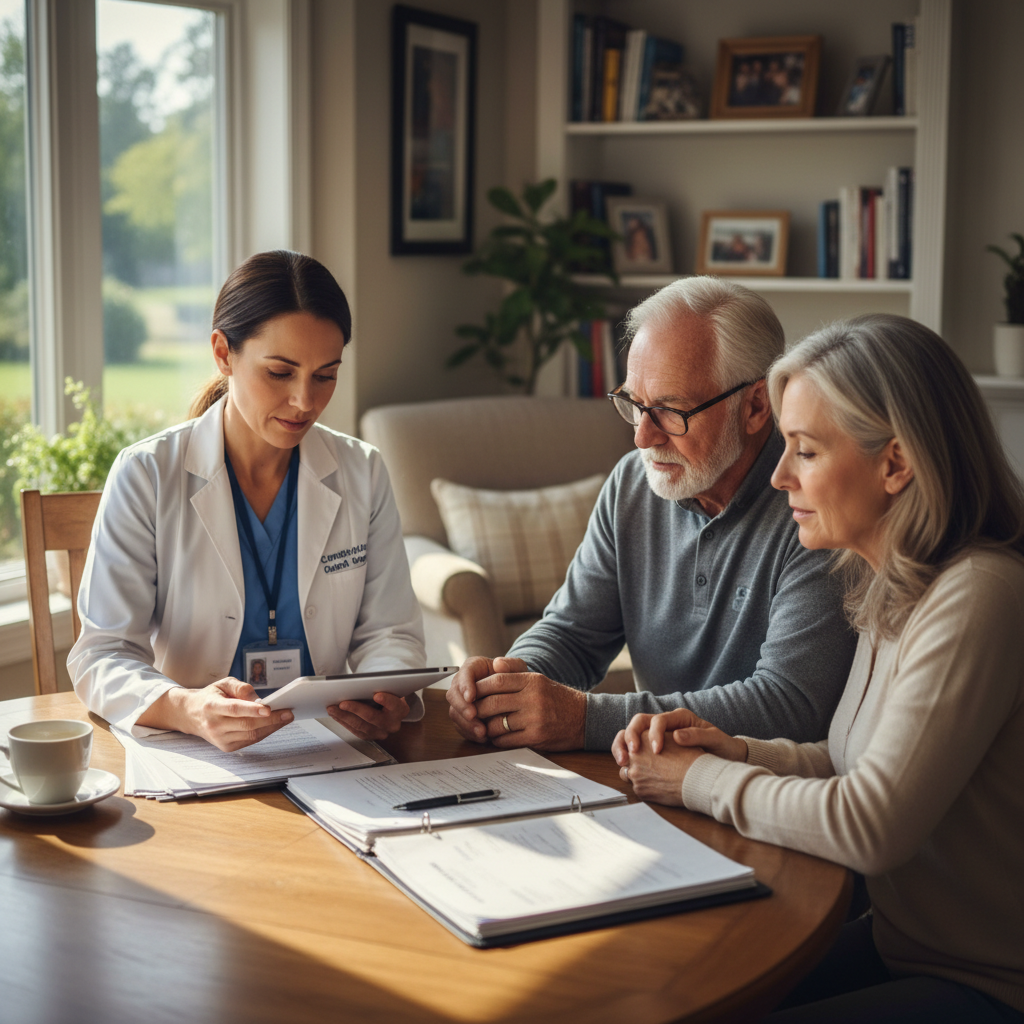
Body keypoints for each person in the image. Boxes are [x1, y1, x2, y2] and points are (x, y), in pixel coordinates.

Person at [614, 313, 1024, 1022]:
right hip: (905, 947)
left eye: (802, 451)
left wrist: (702, 780)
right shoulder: (893, 581)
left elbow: (872, 824)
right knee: (665, 994)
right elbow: (847, 765)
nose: (777, 476)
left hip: (991, 982)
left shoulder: (979, 594)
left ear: (895, 464)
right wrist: (735, 750)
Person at [446, 277, 857, 752]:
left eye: (669, 411)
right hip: (658, 772)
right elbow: (574, 634)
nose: (642, 437)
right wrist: (505, 685)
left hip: (767, 796)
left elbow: (789, 705)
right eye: (634, 404)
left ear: (756, 405)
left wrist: (583, 720)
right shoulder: (632, 484)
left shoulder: (813, 504)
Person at [70, 250, 426, 751]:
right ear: (223, 353)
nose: (305, 401)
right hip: (196, 752)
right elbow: (102, 654)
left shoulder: (361, 471)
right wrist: (188, 708)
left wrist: (385, 694)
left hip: (329, 748)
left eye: (325, 375)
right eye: (280, 372)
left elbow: (392, 634)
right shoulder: (146, 473)